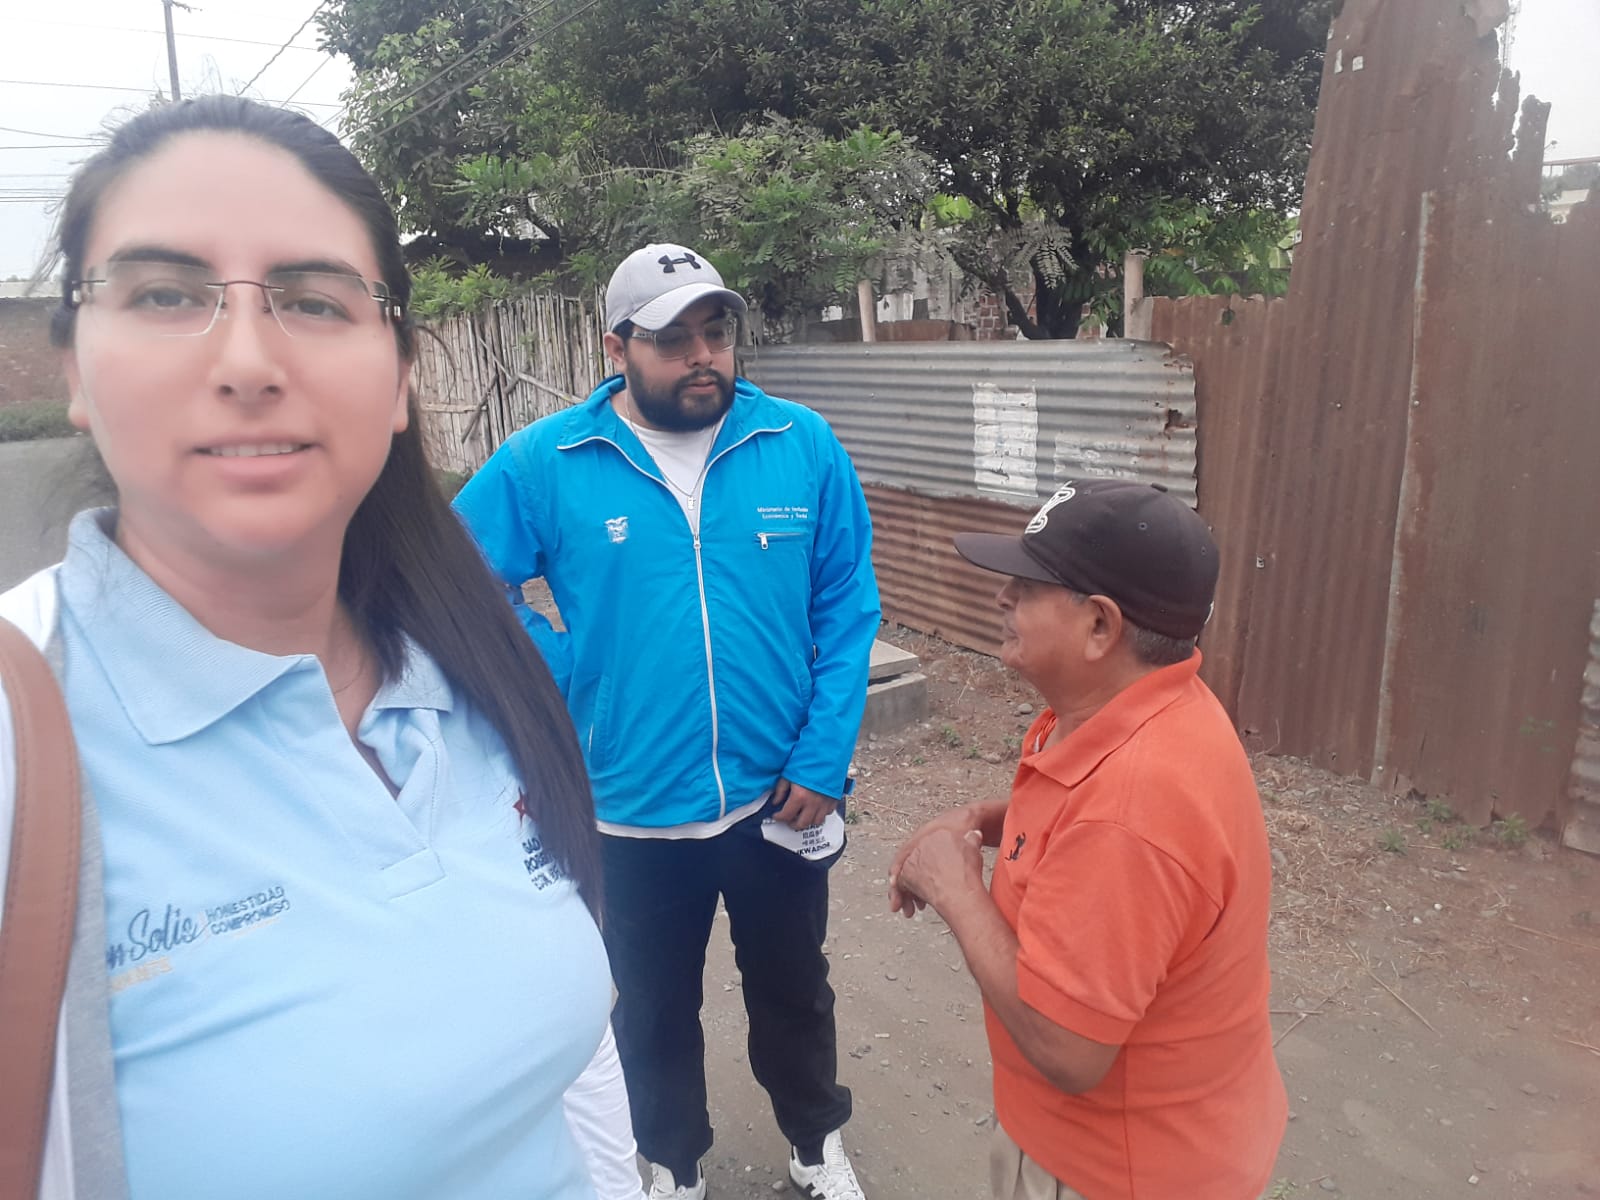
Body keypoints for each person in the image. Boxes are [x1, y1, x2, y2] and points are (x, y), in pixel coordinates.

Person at [0, 96, 645, 1200]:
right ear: (72, 369)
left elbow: (568, 1051)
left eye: (312, 300)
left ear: (399, 377)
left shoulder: (470, 666)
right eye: (165, 294)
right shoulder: (24, 745)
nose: (248, 361)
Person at [454, 244, 881, 1200]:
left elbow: (847, 606)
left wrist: (824, 757)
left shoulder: (800, 443)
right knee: (650, 1009)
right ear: (617, 349)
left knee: (794, 987)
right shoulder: (549, 461)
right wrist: (566, 676)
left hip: (779, 798)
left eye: (716, 332)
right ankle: (675, 1164)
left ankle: (816, 1144)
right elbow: (461, 577)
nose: (702, 356)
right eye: (673, 339)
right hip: (631, 807)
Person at [888, 480, 1287, 1200]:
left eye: (1027, 587)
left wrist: (955, 889)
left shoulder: (1131, 809)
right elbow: (1081, 824)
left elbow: (1068, 1049)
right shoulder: (1149, 707)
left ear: (1101, 626)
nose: (1002, 597)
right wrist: (988, 817)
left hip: (1112, 1174)